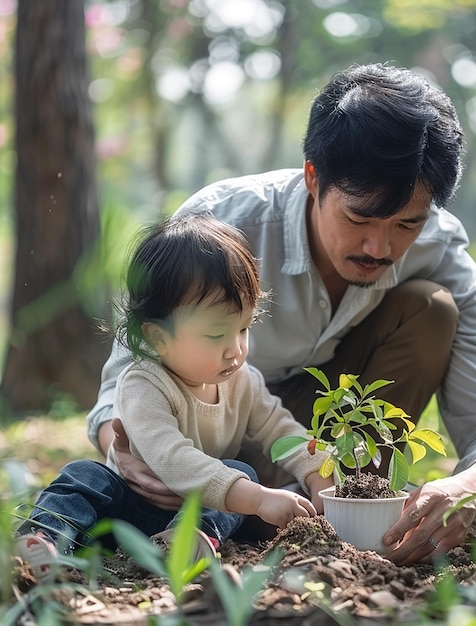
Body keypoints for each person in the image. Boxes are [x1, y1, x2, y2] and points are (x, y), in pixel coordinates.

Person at [87, 62, 476, 566]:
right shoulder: (216, 227)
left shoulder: (440, 250)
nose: (380, 245)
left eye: (407, 223)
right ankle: (233, 513)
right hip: (201, 443)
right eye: (359, 217)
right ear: (313, 178)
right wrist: (130, 455)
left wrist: (468, 486)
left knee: (431, 310)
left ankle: (344, 507)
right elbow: (126, 383)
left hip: (314, 455)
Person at [15, 212, 332, 582]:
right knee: (84, 475)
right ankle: (46, 539)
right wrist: (258, 498)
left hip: (197, 511)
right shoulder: (143, 385)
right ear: (158, 337)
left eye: (244, 328)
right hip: (130, 507)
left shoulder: (242, 381)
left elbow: (281, 430)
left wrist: (318, 472)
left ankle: (186, 544)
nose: (236, 350)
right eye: (216, 336)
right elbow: (172, 458)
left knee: (240, 470)